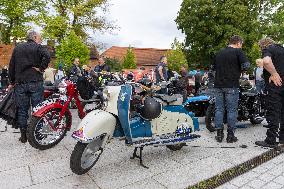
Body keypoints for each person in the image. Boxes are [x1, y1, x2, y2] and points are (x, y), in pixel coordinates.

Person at [8, 31, 50, 143]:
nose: (40, 40)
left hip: (20, 84)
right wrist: (41, 68)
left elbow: (11, 66)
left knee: (22, 110)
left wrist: (12, 82)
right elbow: (47, 56)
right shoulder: (38, 47)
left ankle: (23, 136)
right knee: (39, 109)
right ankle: (38, 134)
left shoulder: (18, 48)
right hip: (35, 82)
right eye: (39, 38)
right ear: (35, 37)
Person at [212, 35, 250, 143]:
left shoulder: (219, 53)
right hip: (232, 85)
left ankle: (219, 135)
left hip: (218, 85)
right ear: (238, 43)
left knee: (219, 109)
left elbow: (212, 69)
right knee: (231, 110)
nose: (241, 46)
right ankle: (230, 136)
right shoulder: (238, 52)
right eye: (241, 44)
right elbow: (246, 65)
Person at [255, 38, 284, 148]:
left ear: (262, 46)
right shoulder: (282, 49)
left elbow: (266, 61)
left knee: (274, 112)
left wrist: (274, 73)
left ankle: (271, 140)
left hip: (275, 86)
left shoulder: (268, 49)